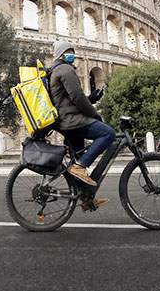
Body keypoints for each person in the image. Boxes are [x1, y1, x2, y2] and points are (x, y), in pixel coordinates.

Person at [49, 40, 116, 211]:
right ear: (62, 54)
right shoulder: (65, 69)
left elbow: (70, 98)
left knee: (76, 156)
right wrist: (94, 114)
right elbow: (77, 97)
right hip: (71, 121)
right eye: (70, 50)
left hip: (67, 120)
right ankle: (79, 167)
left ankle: (85, 198)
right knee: (108, 134)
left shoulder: (59, 69)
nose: (73, 53)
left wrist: (92, 98)